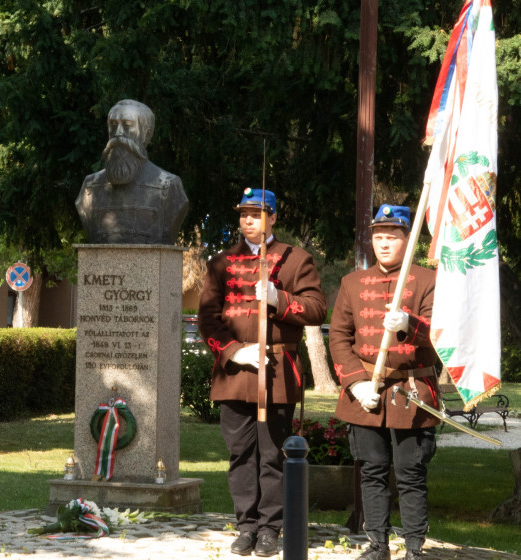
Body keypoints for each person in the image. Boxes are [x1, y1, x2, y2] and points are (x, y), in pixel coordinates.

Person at [198, 189, 326, 557]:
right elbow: (208, 319)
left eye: (256, 214)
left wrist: (279, 299)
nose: (248, 220)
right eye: (243, 214)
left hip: (277, 371)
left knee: (273, 454)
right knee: (240, 453)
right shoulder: (221, 262)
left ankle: (270, 528)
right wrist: (236, 352)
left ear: (273, 217)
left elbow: (317, 310)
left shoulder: (296, 259)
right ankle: (246, 525)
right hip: (236, 372)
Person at [330, 204, 439, 560]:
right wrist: (357, 383)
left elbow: (440, 334)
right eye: (378, 237)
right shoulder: (352, 283)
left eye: (392, 236)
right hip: (367, 392)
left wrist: (409, 323)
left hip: (411, 390)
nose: (384, 243)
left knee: (410, 474)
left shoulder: (429, 280)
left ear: (406, 240)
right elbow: (339, 338)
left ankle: (413, 549)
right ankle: (377, 545)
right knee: (372, 472)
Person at [75, 99, 189, 244]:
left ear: (146, 135)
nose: (118, 133)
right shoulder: (90, 187)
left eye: (128, 125)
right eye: (113, 125)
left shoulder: (168, 185)